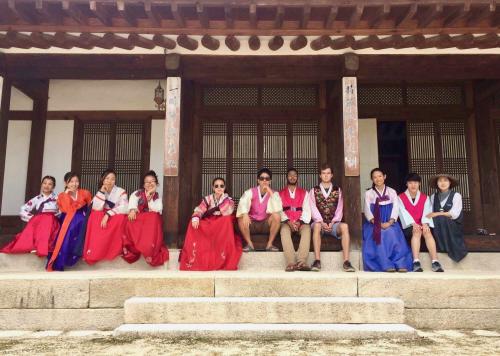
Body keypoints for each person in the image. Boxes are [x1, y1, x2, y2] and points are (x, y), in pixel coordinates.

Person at [180, 177, 242, 270]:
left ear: (224, 187)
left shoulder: (228, 199)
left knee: (227, 220)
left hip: (222, 222)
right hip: (211, 220)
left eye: (221, 186)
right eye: (216, 186)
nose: (219, 188)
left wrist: (219, 205)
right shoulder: (208, 198)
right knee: (194, 223)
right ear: (213, 187)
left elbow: (228, 212)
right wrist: (196, 217)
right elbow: (200, 209)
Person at [363, 168, 412, 272]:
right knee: (379, 234)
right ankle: (385, 264)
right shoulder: (369, 193)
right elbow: (367, 210)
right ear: (372, 179)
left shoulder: (391, 191)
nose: (378, 179)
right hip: (374, 223)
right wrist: (378, 223)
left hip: (390, 221)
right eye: (375, 177)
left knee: (392, 233)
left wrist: (390, 222)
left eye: (380, 176)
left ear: (384, 177)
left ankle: (400, 263)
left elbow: (396, 208)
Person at [309, 164, 355, 272]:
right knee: (316, 226)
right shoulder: (313, 191)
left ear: (332, 175)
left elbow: (339, 208)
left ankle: (346, 261)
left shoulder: (337, 190)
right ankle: (317, 260)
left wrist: (333, 222)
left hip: (333, 224)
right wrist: (321, 221)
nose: (326, 176)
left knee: (344, 227)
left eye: (328, 173)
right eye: (323, 173)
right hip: (319, 223)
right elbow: (312, 208)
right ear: (320, 175)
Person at [0, 176, 59, 257]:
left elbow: (62, 210)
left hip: (53, 223)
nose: (46, 186)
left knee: (48, 221)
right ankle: (37, 246)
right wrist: (33, 218)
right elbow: (23, 209)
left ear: (53, 186)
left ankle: (44, 247)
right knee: (41, 223)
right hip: (40, 223)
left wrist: (53, 217)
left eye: (50, 184)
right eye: (44, 183)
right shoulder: (37, 199)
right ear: (41, 184)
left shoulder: (58, 198)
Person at [46, 172, 92, 271]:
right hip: (67, 218)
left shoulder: (85, 193)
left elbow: (90, 208)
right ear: (66, 183)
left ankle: (77, 252)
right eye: (71, 181)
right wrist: (66, 194)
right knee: (70, 228)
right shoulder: (62, 195)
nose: (74, 184)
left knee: (80, 221)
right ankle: (62, 260)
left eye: (76, 181)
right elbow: (67, 209)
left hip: (81, 217)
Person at [398, 173, 444, 272]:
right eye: (410, 183)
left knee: (427, 232)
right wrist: (413, 223)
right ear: (406, 184)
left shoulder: (425, 197)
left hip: (422, 223)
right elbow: (402, 213)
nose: (413, 185)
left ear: (419, 184)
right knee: (417, 231)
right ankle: (416, 262)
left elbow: (427, 212)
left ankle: (435, 261)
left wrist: (425, 223)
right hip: (409, 226)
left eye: (415, 182)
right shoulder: (400, 197)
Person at [122, 170, 169, 267]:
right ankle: (135, 247)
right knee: (129, 220)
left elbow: (158, 209)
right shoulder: (137, 193)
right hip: (138, 219)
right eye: (147, 182)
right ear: (143, 185)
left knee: (154, 216)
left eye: (152, 181)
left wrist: (149, 198)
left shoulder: (157, 197)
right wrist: (132, 210)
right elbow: (132, 203)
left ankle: (148, 249)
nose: (150, 184)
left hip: (149, 222)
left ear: (156, 184)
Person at [83, 169, 128, 265]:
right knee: (95, 215)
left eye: (112, 179)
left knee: (121, 218)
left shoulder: (121, 191)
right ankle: (95, 249)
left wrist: (108, 214)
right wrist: (101, 192)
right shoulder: (101, 191)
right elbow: (96, 207)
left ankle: (112, 249)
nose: (109, 181)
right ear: (103, 180)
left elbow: (124, 207)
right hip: (103, 215)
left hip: (115, 215)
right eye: (107, 178)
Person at [236, 168, 283, 252]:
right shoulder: (250, 191)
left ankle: (269, 244)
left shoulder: (274, 193)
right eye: (262, 178)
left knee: (277, 216)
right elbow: (243, 203)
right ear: (258, 180)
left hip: (266, 223)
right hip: (252, 223)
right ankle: (250, 244)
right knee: (241, 217)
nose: (264, 181)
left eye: (267, 179)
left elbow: (278, 208)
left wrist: (269, 192)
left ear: (270, 181)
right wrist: (245, 213)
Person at [427, 174, 468, 263]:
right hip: (437, 225)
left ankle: (449, 247)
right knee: (436, 220)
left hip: (452, 224)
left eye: (445, 180)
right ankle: (440, 246)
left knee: (442, 218)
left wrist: (438, 213)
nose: (443, 183)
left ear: (450, 183)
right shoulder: (433, 197)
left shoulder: (456, 195)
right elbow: (430, 213)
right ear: (437, 183)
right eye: (440, 181)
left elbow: (454, 214)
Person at [279, 168, 312, 272]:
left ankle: (301, 262)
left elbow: (307, 210)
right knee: (284, 230)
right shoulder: (280, 194)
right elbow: (279, 210)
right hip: (287, 223)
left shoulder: (304, 193)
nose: (292, 177)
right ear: (286, 177)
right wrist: (288, 221)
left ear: (297, 178)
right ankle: (291, 262)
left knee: (307, 229)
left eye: (294, 175)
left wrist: (300, 222)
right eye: (290, 175)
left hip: (300, 222)